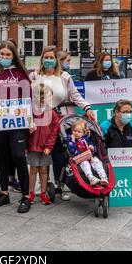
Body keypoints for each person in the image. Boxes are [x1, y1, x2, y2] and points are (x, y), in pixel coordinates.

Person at [30, 46, 94, 201]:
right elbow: (28, 97)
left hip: (61, 119)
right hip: (40, 119)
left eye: (52, 58)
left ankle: (60, 184)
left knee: (60, 153)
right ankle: (40, 186)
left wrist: (87, 107)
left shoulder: (64, 76)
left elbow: (75, 95)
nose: (49, 60)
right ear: (42, 59)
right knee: (39, 152)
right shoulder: (34, 76)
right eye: (46, 57)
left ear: (55, 60)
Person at [0, 40, 34, 213]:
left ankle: (26, 196)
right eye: (2, 54)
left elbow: (30, 99)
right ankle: (4, 193)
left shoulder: (21, 74)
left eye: (8, 54)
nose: (4, 57)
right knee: (1, 157)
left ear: (14, 56)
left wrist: (31, 120)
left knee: (19, 156)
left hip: (18, 123)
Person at [27, 83, 61, 205]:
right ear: (40, 97)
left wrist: (49, 146)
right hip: (33, 146)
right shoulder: (31, 111)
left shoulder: (52, 113)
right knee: (33, 169)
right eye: (49, 96)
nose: (51, 99)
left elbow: (54, 131)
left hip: (46, 147)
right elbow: (26, 129)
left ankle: (43, 193)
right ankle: (30, 193)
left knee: (44, 170)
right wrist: (26, 146)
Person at [67, 120, 108, 186]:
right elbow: (72, 150)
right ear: (72, 131)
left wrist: (92, 147)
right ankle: (91, 178)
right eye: (74, 131)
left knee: (97, 162)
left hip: (90, 156)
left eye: (79, 132)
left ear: (83, 133)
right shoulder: (70, 140)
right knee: (85, 164)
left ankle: (104, 177)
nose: (76, 133)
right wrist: (72, 141)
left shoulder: (86, 139)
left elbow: (94, 149)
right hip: (80, 159)